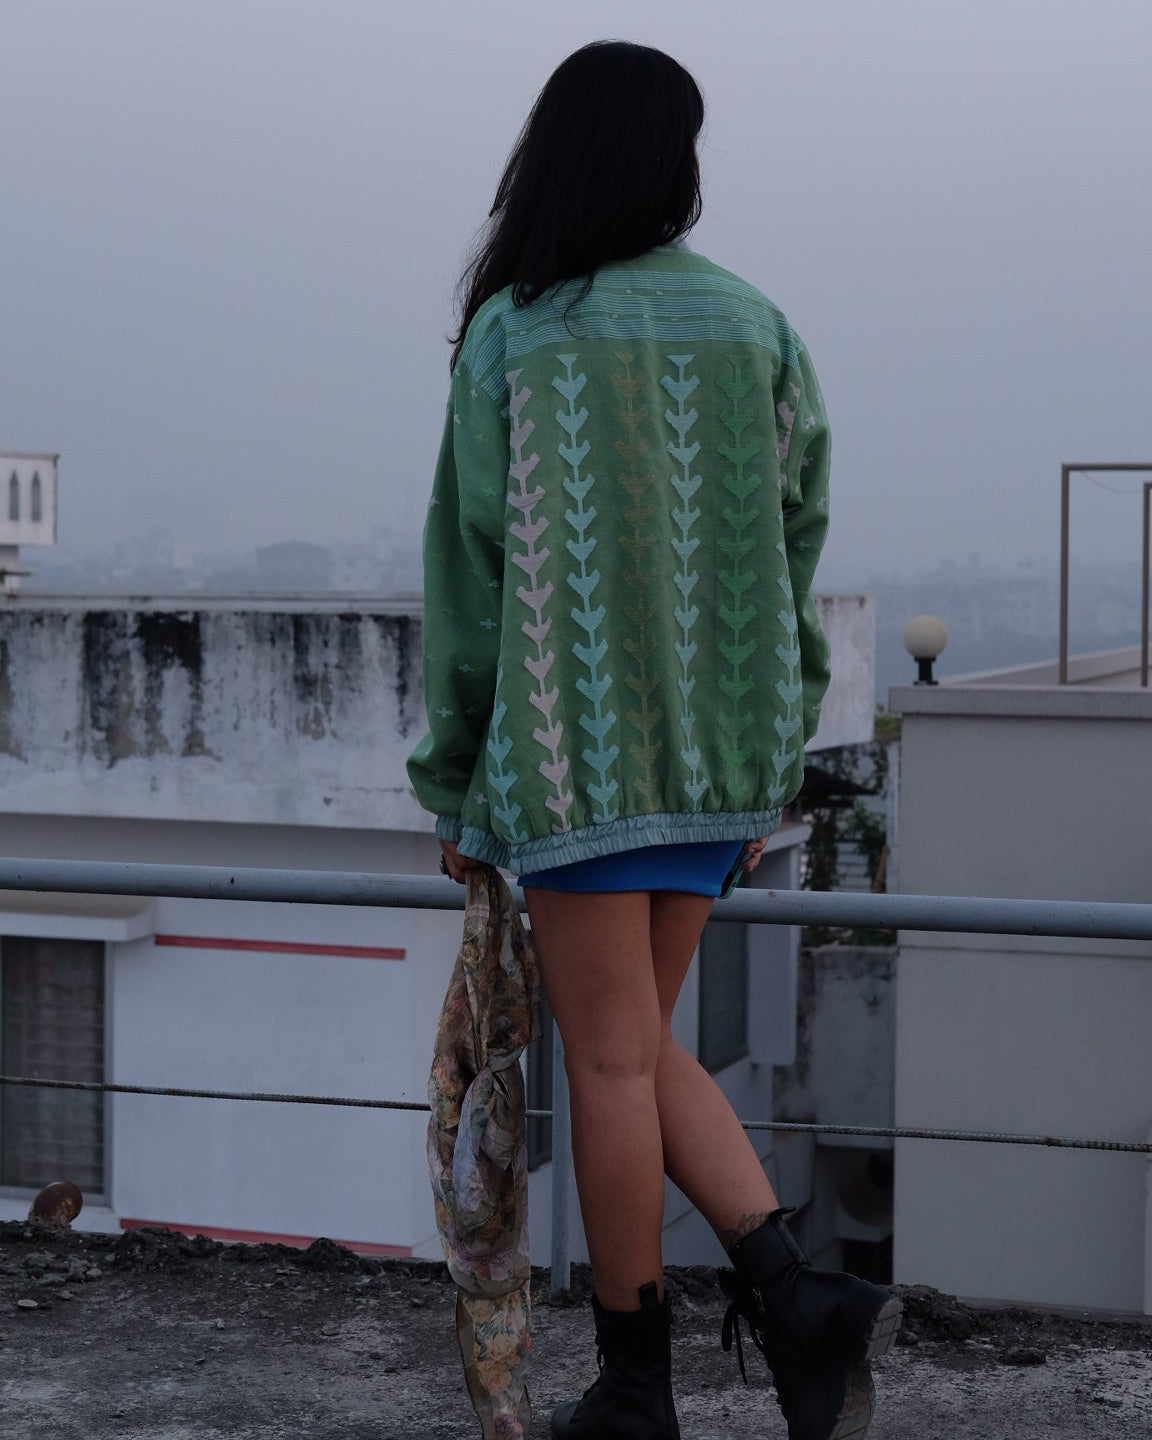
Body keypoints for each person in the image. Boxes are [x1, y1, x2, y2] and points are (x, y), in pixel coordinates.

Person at [407, 40, 900, 1440]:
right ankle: (800, 1301)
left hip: (578, 760)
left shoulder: (519, 331)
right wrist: (773, 738)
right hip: (718, 758)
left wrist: (455, 772)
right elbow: (799, 547)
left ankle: (637, 1394)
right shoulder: (757, 325)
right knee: (637, 1045)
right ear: (669, 161)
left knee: (612, 1060)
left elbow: (472, 575)